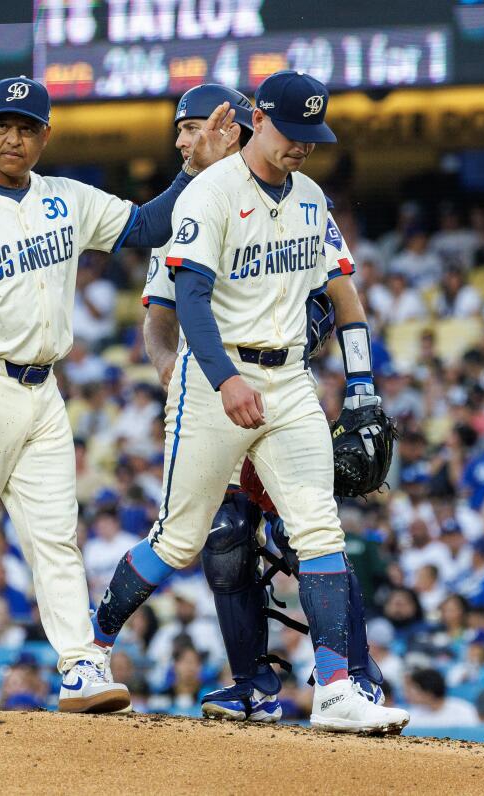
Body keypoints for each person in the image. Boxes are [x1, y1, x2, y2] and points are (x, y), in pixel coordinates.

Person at [0, 75, 236, 712]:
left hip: (43, 392)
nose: (12, 138)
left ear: (44, 136)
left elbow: (147, 225)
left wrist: (193, 168)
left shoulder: (65, 200)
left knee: (55, 535)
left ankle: (80, 664)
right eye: (2, 125)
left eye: (26, 128)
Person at [89, 70, 408, 735]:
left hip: (289, 376)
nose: (301, 147)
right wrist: (214, 380)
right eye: (291, 134)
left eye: (310, 138)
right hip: (216, 381)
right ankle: (90, 648)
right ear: (257, 120)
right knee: (181, 541)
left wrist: (360, 384)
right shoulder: (208, 196)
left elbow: (342, 292)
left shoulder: (312, 196)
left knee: (319, 527)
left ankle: (340, 687)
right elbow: (186, 306)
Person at [403, 668, 480, 728]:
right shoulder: (411, 716)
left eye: (413, 689)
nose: (408, 693)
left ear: (428, 692)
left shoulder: (464, 711)